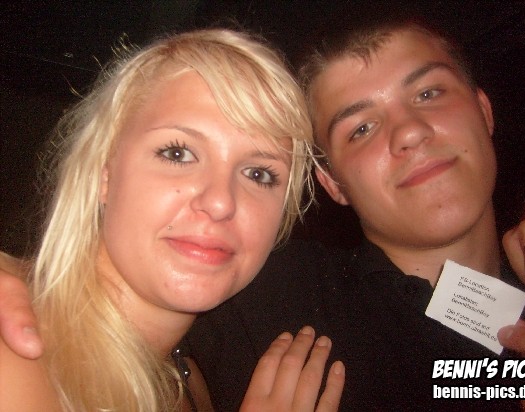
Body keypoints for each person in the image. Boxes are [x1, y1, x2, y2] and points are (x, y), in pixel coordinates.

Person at [0, 17, 525, 412]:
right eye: (177, 152)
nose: (408, 133)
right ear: (331, 183)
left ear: (484, 110)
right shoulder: (271, 302)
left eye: (428, 93)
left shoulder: (184, 373)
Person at [0, 29, 345, 411]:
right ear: (104, 172)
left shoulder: (187, 380)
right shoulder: (18, 360)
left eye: (258, 174)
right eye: (178, 153)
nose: (220, 202)